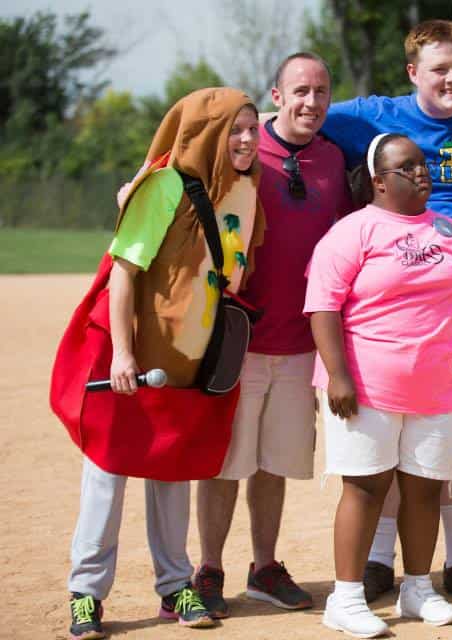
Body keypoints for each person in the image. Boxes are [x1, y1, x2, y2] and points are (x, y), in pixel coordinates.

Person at [321, 19, 452, 605]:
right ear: (413, 73)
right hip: (400, 284)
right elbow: (286, 122)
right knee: (391, 425)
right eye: (439, 69)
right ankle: (379, 560)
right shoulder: (374, 115)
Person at [57, 87, 265, 639]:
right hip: (134, 356)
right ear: (207, 134)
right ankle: (86, 594)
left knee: (172, 471)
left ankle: (175, 586)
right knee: (108, 474)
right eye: (234, 129)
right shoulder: (166, 185)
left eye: (253, 128)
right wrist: (123, 352)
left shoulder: (246, 187)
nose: (248, 139)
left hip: (191, 359)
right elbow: (124, 272)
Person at [307, 134, 452, 636]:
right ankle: (345, 598)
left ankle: (417, 588)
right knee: (365, 487)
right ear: (378, 181)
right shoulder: (352, 232)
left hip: (434, 387)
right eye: (407, 167)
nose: (421, 173)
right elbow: (323, 307)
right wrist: (337, 375)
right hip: (365, 387)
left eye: (423, 165)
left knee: (423, 489)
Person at [192, 53, 352, 617]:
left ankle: (264, 567)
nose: (311, 101)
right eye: (300, 91)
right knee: (224, 462)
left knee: (273, 462)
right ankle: (209, 568)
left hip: (302, 341)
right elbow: (179, 172)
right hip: (238, 337)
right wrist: (132, 187)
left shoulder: (334, 158)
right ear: (277, 96)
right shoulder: (241, 147)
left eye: (321, 91)